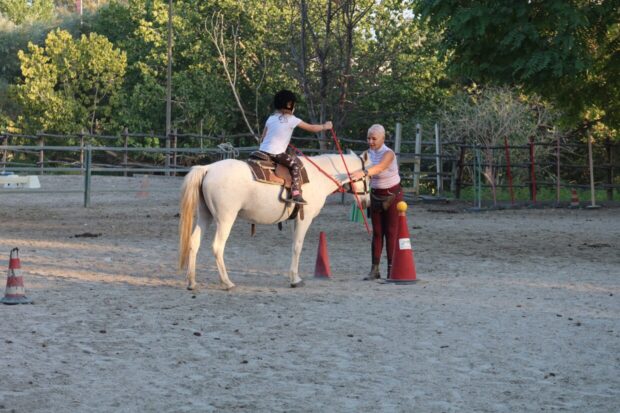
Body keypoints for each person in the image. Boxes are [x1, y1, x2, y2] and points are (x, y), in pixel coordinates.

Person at [259, 90, 333, 205]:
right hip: (276, 153)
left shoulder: (271, 118)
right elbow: (312, 128)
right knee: (295, 166)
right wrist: (325, 126)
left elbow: (263, 138)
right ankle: (296, 193)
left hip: (262, 151)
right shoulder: (292, 119)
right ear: (289, 105)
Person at [350, 124, 403, 280]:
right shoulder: (366, 154)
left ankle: (392, 270)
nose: (371, 141)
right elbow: (357, 166)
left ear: (382, 139)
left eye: (374, 138)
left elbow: (379, 168)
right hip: (375, 195)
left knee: (391, 232)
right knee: (377, 233)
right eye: (368, 138)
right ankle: (375, 269)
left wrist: (363, 172)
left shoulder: (389, 154)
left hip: (392, 196)